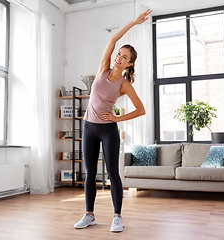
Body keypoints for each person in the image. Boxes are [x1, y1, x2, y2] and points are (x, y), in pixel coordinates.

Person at [74, 9, 152, 232]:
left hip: (108, 129)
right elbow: (112, 38)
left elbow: (141, 110)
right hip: (89, 127)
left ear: (129, 64)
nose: (119, 57)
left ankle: (117, 216)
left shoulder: (125, 85)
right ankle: (89, 214)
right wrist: (134, 23)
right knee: (90, 174)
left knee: (113, 174)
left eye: (125, 57)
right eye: (119, 54)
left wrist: (118, 117)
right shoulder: (102, 69)